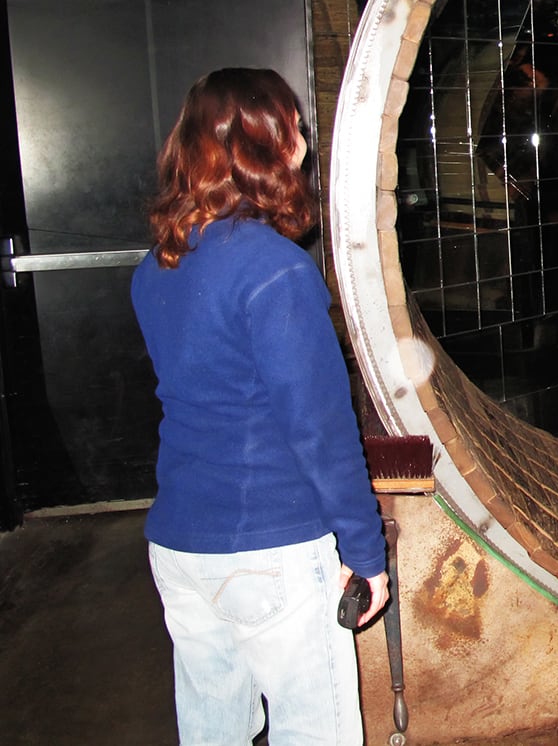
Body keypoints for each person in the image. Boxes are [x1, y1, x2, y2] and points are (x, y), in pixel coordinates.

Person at [131, 68, 389, 745]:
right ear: (267, 147)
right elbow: (320, 430)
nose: (305, 141)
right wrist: (366, 551)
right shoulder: (274, 269)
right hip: (270, 547)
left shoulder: (156, 265)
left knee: (214, 730)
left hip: (181, 545)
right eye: (296, 128)